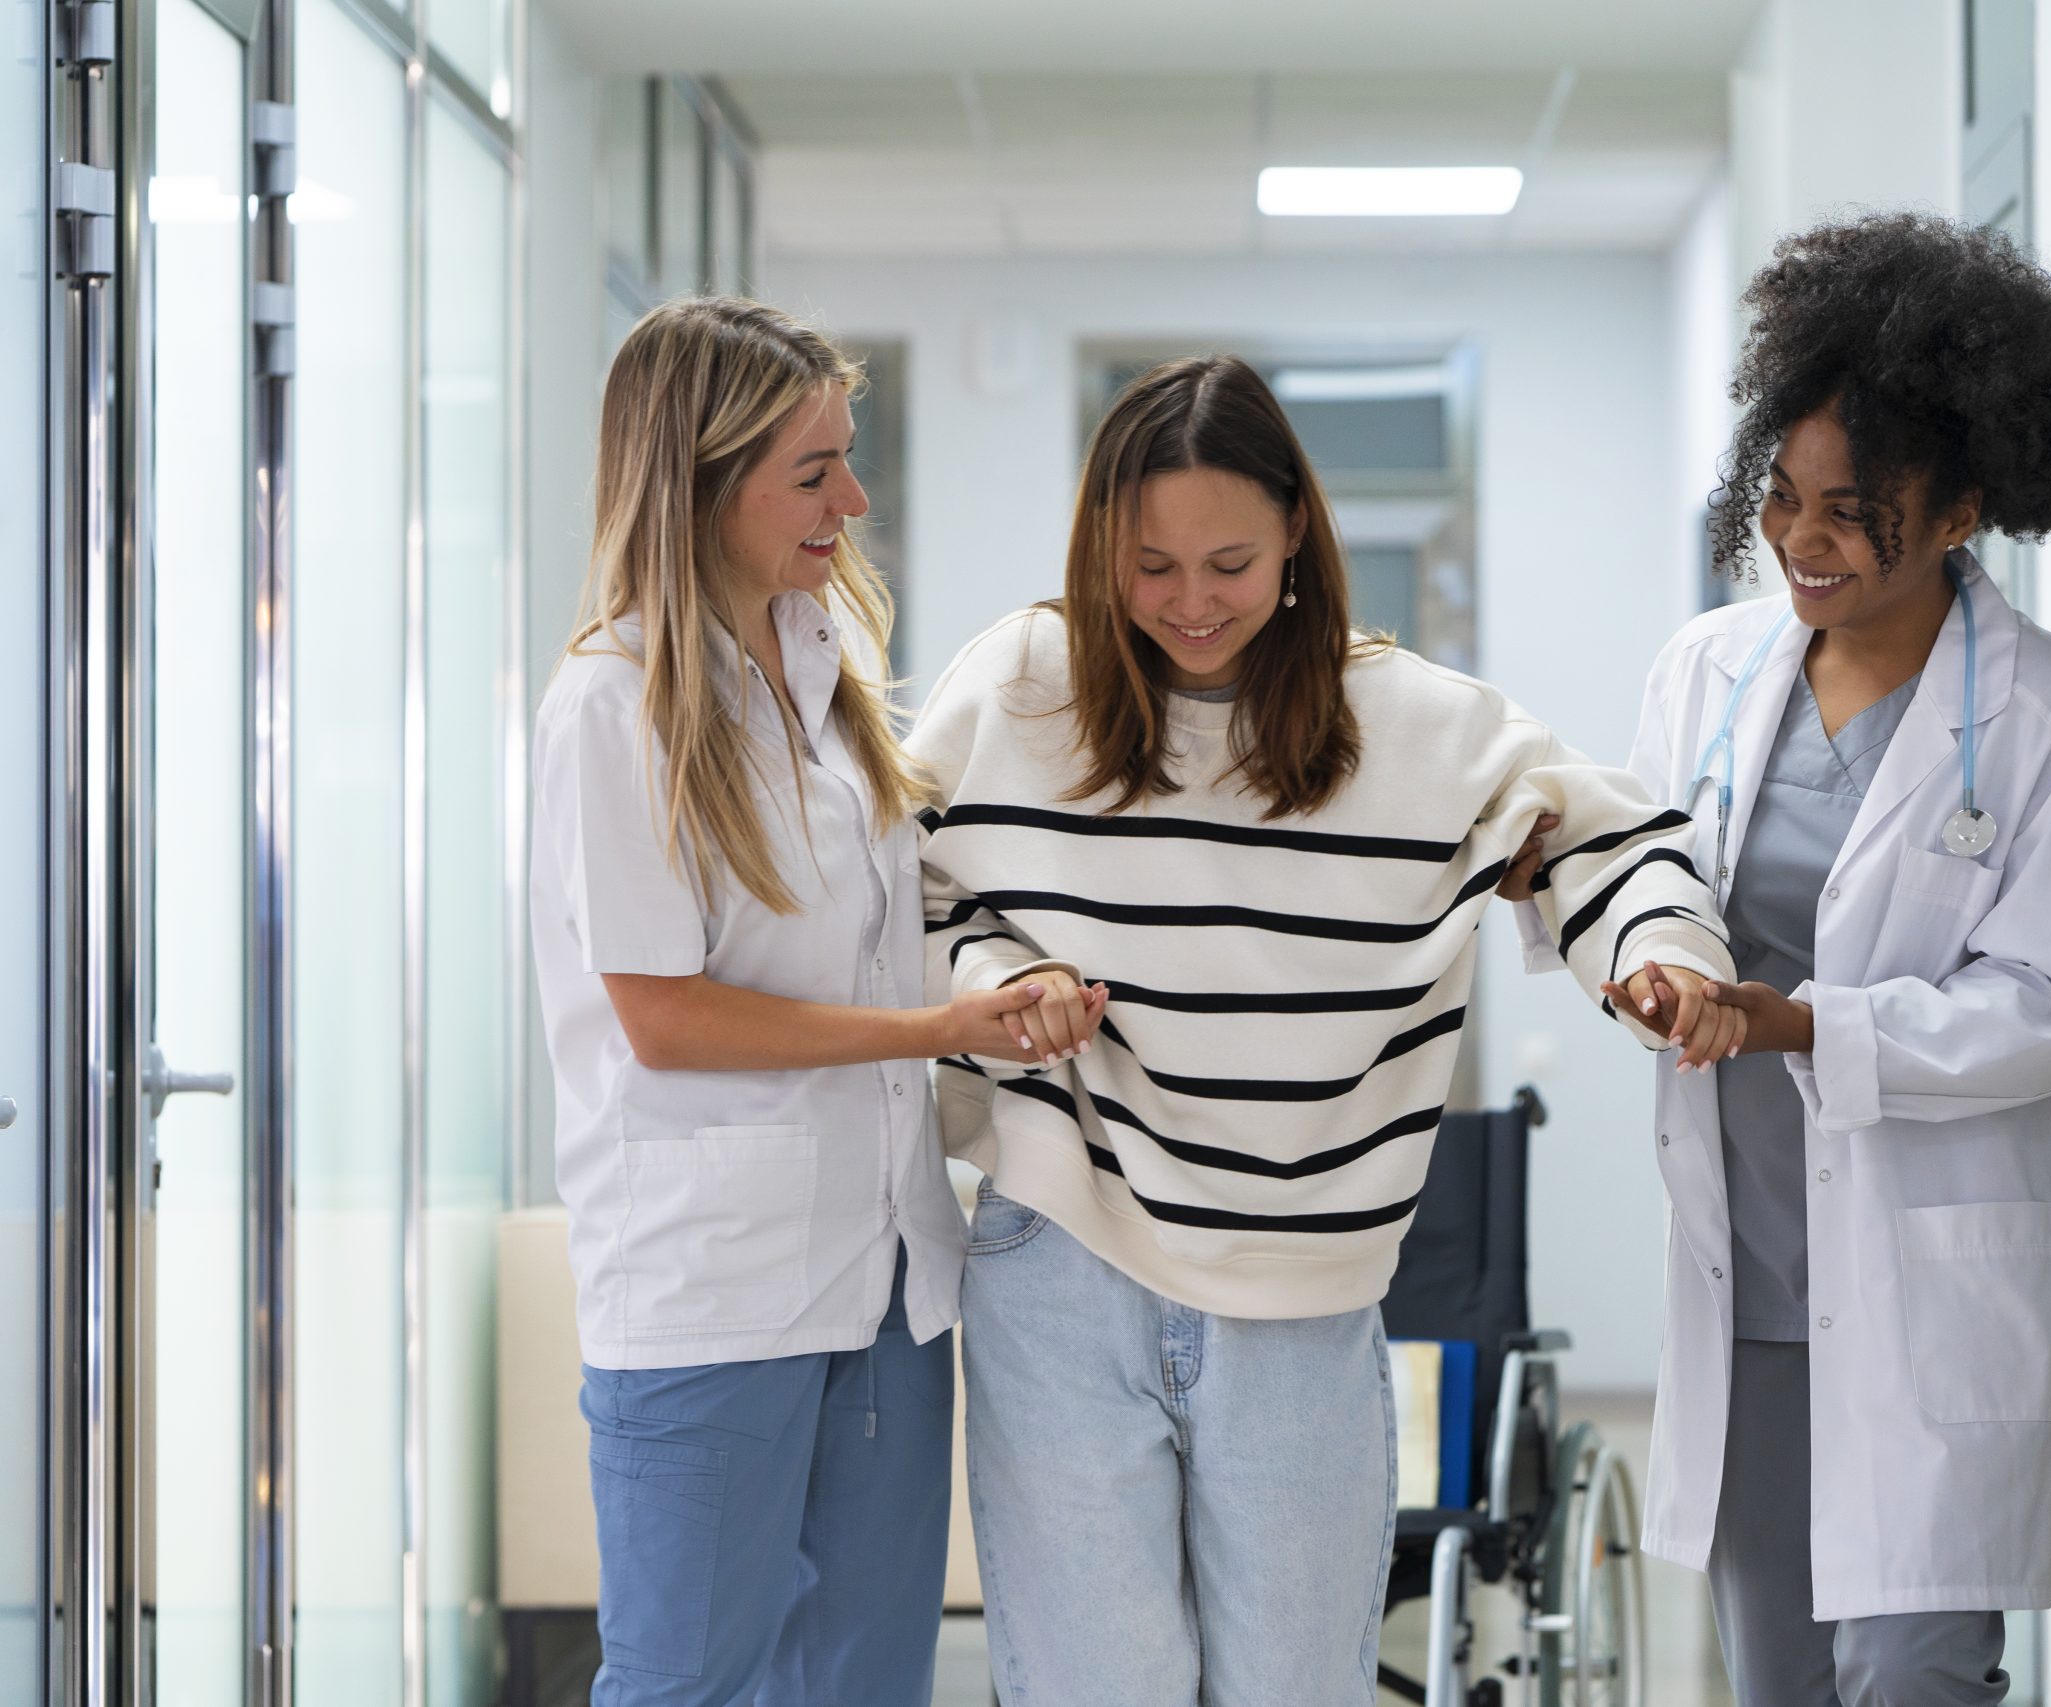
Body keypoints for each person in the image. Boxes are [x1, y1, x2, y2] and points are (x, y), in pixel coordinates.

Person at [908, 355, 1740, 1706]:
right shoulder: (1019, 687)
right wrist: (1003, 978)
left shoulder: (1409, 725)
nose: (1189, 604)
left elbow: (1611, 840)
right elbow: (907, 887)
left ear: (1299, 529)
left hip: (1302, 1291)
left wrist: (1656, 957)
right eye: (1149, 565)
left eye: (1228, 561)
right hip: (1062, 1260)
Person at [1613, 214, 2051, 1706]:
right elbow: (1632, 873)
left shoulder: (2048, 717)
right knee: (1779, 1685)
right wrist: (1645, 959)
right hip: (1755, 1283)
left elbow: (2050, 1009)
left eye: (1856, 512)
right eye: (1782, 500)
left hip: (1938, 1281)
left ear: (1966, 504)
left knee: (1917, 1681)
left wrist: (1797, 1026)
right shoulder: (1707, 675)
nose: (1803, 542)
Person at [528, 297, 1064, 1707]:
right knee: (688, 1682)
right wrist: (937, 1037)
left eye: (847, 457)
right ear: (702, 483)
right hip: (714, 1287)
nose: (855, 498)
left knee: (865, 1681)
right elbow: (668, 1017)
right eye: (814, 470)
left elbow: (890, 928)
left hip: (889, 1272)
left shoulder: (829, 670)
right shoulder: (616, 702)